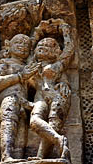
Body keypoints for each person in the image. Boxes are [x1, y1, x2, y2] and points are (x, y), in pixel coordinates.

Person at [28, 19, 74, 162]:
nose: (43, 46)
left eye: (49, 45)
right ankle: (60, 141)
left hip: (57, 95)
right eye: (40, 45)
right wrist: (36, 32)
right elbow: (29, 50)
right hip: (40, 97)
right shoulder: (32, 65)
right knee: (34, 121)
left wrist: (65, 29)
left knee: (53, 122)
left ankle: (41, 156)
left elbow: (69, 50)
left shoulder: (57, 65)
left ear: (56, 52)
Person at [0, 34, 40, 162]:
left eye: (26, 45)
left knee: (22, 130)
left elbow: (34, 86)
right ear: (9, 46)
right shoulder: (5, 63)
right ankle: (5, 156)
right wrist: (20, 76)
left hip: (23, 101)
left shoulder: (27, 67)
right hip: (9, 98)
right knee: (9, 123)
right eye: (18, 42)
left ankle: (18, 159)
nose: (22, 46)